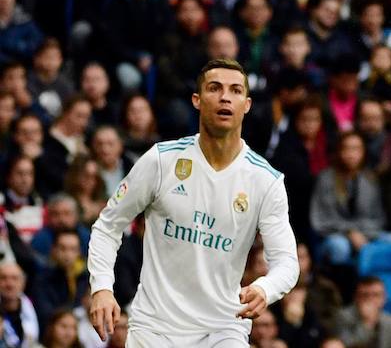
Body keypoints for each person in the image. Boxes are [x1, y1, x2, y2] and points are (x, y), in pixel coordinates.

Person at [87, 59, 299, 346]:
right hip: (155, 327)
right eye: (215, 88)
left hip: (223, 327)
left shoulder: (265, 180)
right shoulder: (162, 160)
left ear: (246, 105)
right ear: (197, 100)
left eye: (235, 90)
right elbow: (107, 226)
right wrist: (101, 287)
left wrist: (265, 288)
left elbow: (287, 262)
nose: (225, 97)